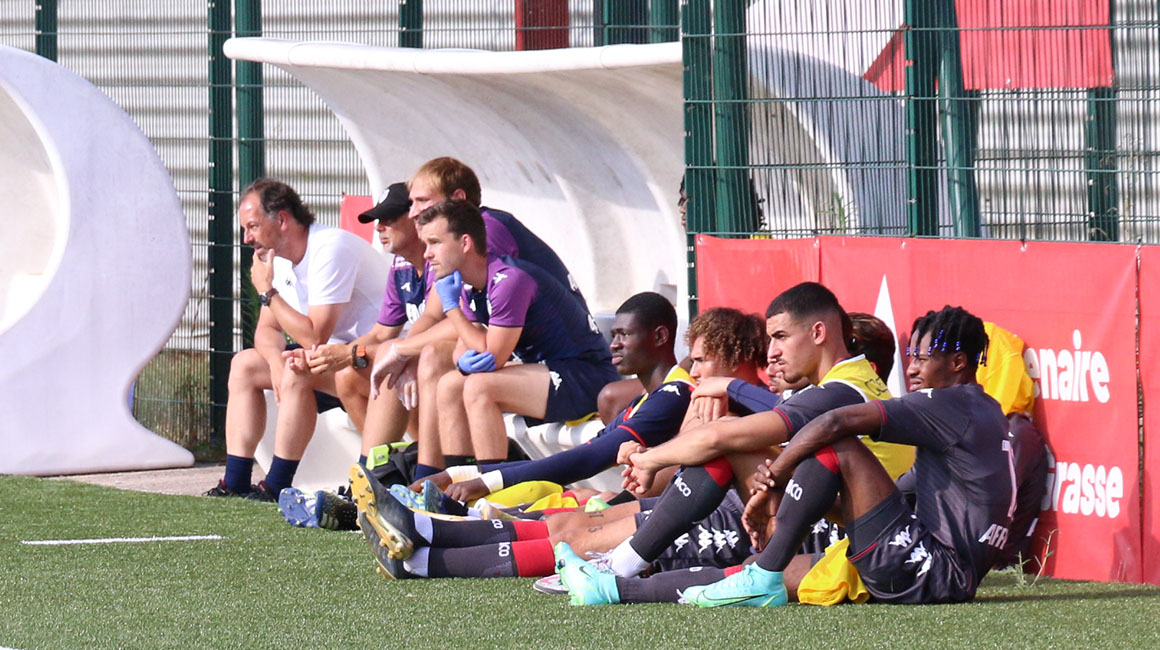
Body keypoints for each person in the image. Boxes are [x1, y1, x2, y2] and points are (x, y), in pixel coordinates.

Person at [559, 305, 1013, 607]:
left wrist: (772, 479)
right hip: (913, 555)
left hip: (923, 565)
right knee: (748, 569)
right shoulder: (981, 409)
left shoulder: (931, 401)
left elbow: (828, 426)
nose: (912, 368)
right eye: (911, 356)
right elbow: (903, 494)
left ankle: (638, 565)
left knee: (819, 444)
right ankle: (614, 585)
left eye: (780, 337)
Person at [350, 304, 769, 580]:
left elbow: (604, 459)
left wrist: (475, 476)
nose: (613, 344)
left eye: (702, 361)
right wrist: (645, 462)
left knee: (573, 524)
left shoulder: (690, 396)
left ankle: (429, 542)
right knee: (570, 518)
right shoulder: (680, 394)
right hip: (666, 506)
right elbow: (651, 467)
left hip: (718, 523)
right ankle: (426, 528)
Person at [598, 282, 913, 579]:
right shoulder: (844, 381)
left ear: (818, 333)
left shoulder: (841, 390)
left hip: (851, 535)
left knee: (730, 439)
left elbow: (721, 436)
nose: (771, 352)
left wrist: (649, 459)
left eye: (781, 337)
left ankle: (621, 565)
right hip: (837, 521)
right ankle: (623, 561)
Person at [371, 157, 590, 477]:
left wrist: (402, 349)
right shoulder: (456, 243)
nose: (413, 211)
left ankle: (456, 483)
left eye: (422, 201)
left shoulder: (488, 233)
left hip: (567, 368)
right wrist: (403, 353)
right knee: (431, 364)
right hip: (528, 359)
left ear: (458, 199)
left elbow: (477, 336)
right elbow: (439, 317)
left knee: (452, 370)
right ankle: (422, 480)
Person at [204, 178, 388, 501]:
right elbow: (266, 330)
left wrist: (267, 291)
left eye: (252, 226)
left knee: (297, 367)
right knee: (245, 364)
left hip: (372, 362)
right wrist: (275, 363)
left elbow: (314, 335)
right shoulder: (279, 260)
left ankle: (276, 486)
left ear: (282, 219)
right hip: (332, 361)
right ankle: (234, 482)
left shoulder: (330, 248)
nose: (247, 238)